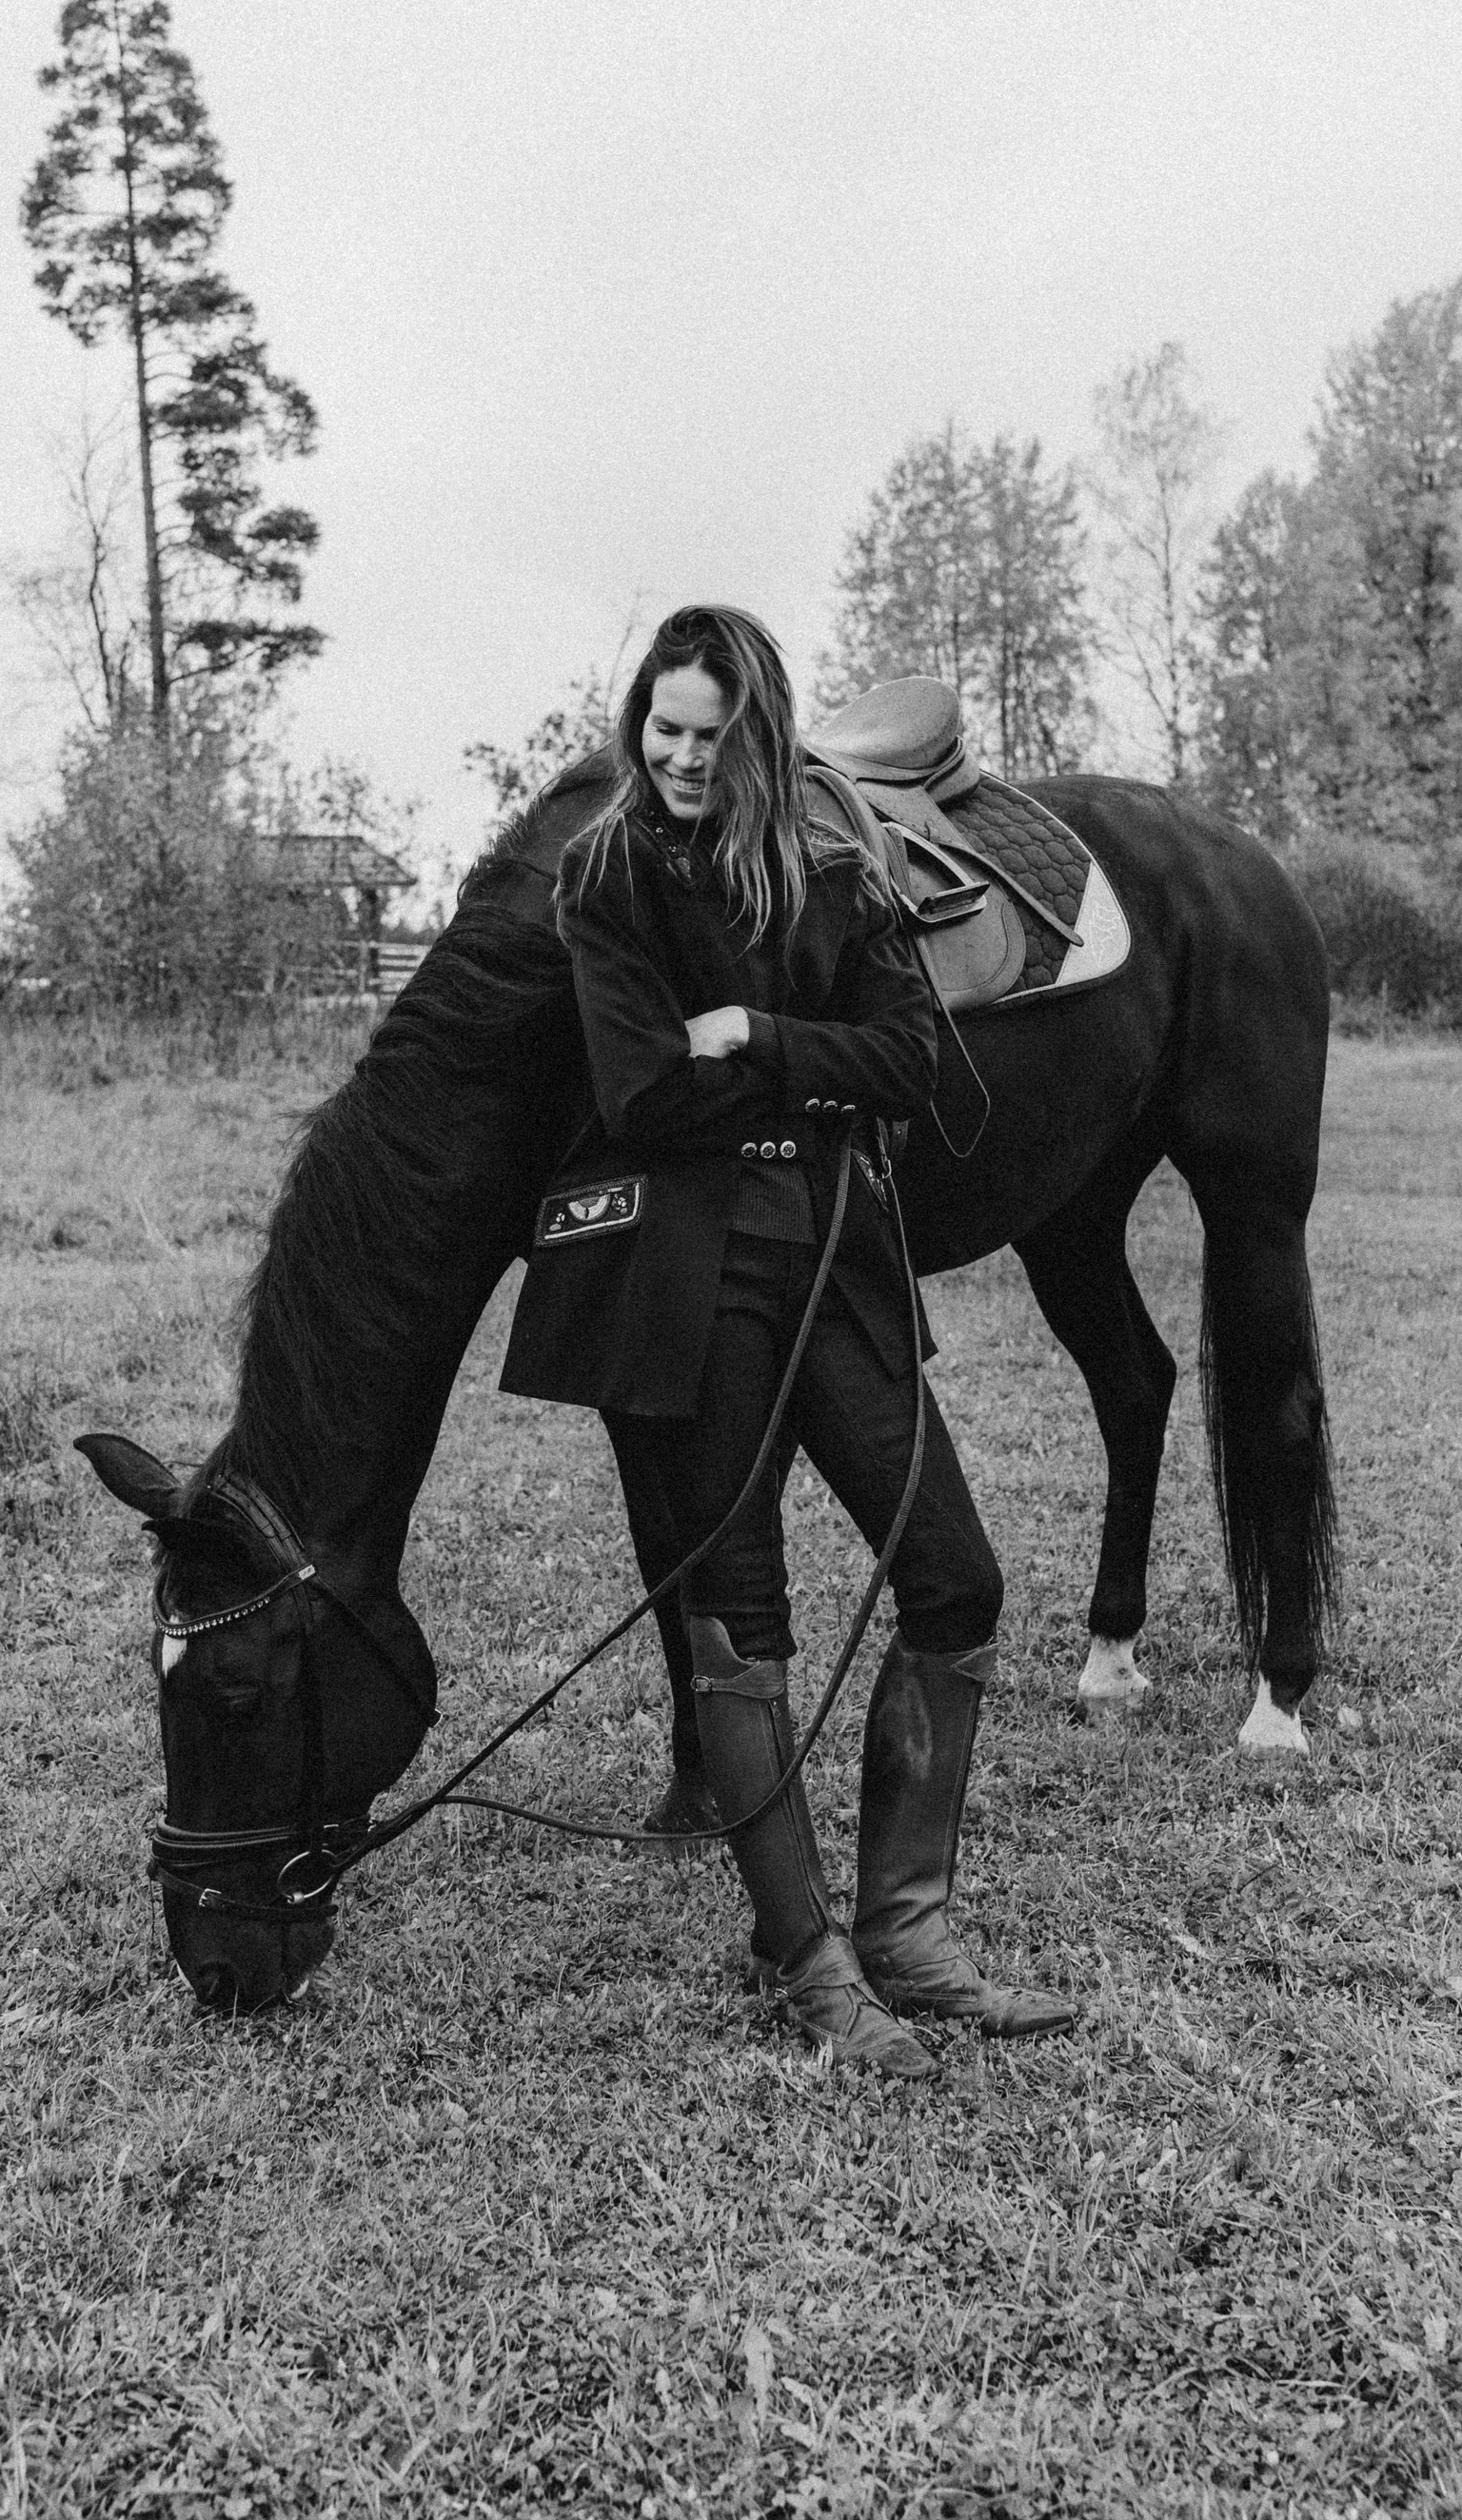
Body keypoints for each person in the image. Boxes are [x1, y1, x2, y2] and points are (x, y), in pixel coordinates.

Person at [501, 605, 1073, 2077]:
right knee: (738, 1620)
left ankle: (908, 1931)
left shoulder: (830, 865)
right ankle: (802, 1953)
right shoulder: (610, 876)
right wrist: (820, 1079)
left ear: (758, 738)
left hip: (838, 1261)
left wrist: (754, 1036)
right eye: (663, 729)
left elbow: (910, 1060)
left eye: (709, 735)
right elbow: (639, 1095)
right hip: (692, 1283)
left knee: (955, 1575)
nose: (682, 758)